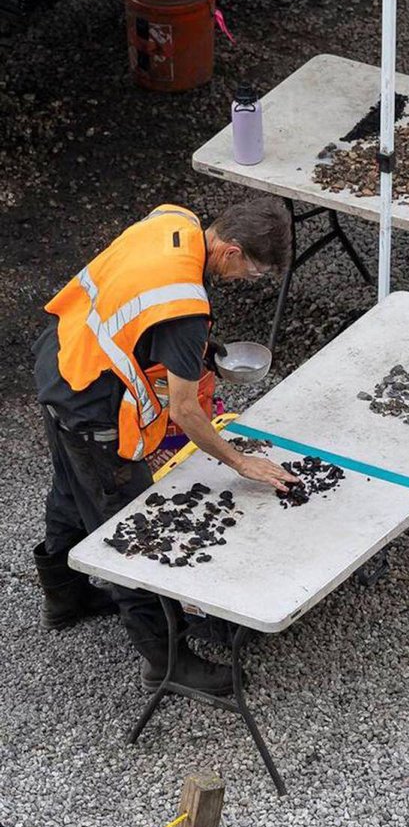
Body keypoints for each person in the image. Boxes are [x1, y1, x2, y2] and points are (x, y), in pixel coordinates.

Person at [32, 197, 299, 696]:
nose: (250, 280)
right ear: (233, 251)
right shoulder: (186, 311)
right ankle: (166, 660)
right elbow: (185, 412)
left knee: (73, 489)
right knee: (134, 531)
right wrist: (240, 462)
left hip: (60, 360)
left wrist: (198, 353)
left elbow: (134, 308)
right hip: (92, 407)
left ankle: (65, 599)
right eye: (254, 272)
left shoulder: (171, 220)